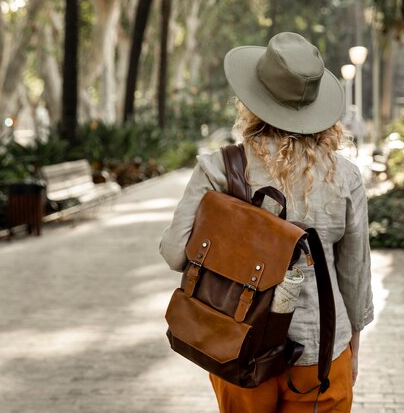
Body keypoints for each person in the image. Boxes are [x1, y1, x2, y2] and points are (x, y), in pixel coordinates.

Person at [159, 32, 373, 413]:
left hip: (238, 347)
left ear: (252, 100)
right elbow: (354, 275)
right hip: (322, 351)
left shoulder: (218, 169)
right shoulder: (345, 177)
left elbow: (176, 253)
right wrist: (353, 344)